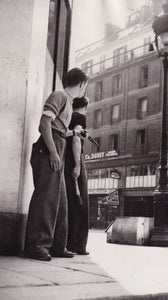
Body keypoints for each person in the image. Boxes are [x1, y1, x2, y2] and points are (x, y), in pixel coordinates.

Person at [24, 68, 88, 261]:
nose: (85, 89)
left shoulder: (67, 101)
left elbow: (58, 129)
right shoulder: (59, 95)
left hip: (57, 146)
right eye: (86, 86)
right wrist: (53, 152)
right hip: (48, 150)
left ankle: (58, 246)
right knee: (46, 199)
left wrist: (74, 133)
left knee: (60, 201)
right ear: (82, 84)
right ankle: (37, 246)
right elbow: (44, 124)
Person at [64, 96, 90, 255]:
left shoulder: (67, 116)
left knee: (68, 201)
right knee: (80, 203)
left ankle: (65, 242)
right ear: (85, 106)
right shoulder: (80, 117)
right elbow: (76, 140)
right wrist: (78, 165)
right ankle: (77, 245)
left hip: (64, 160)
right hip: (74, 160)